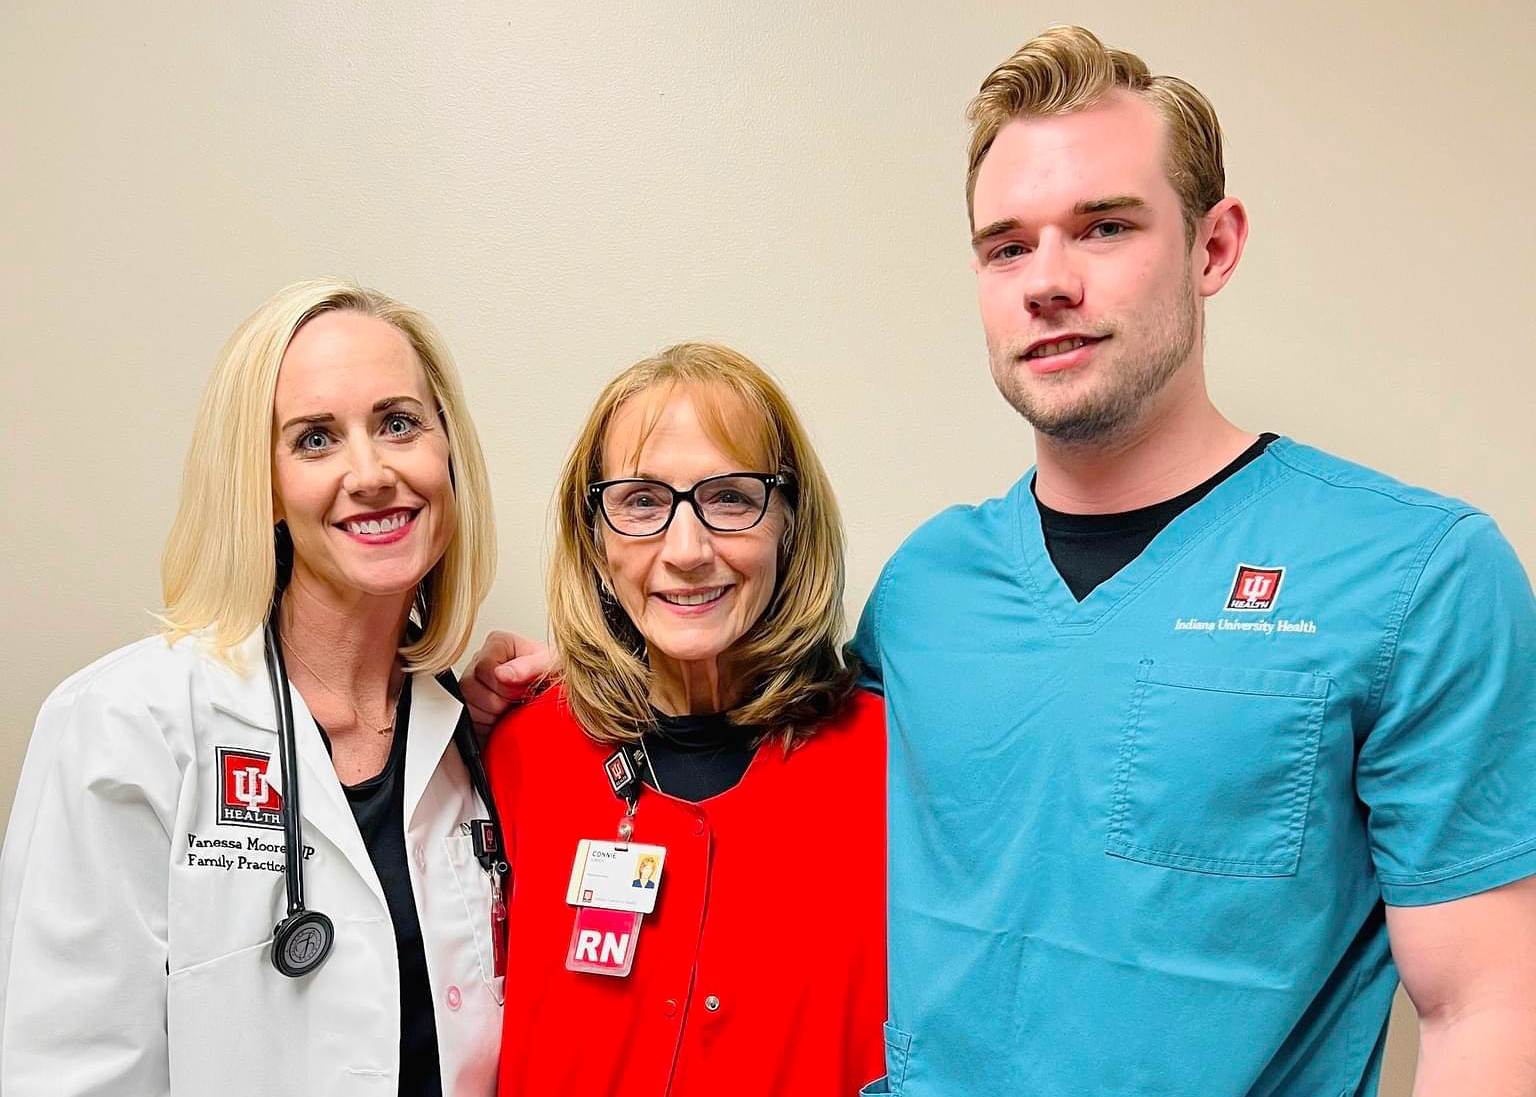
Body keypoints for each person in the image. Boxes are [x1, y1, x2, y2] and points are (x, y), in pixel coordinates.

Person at [850, 25, 1536, 1097]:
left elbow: (1486, 1007)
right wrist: (547, 684)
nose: (1049, 282)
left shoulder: (1421, 576)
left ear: (1212, 247)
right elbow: (751, 756)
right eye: (1007, 245)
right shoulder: (926, 587)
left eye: (1105, 227)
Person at [0, 280, 505, 1096]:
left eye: (398, 423)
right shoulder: (128, 726)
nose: (371, 472)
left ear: (445, 450)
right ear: (262, 486)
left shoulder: (478, 739)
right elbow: (69, 1072)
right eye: (315, 439)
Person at [483, 343, 885, 1097]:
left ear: (789, 524)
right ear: (596, 538)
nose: (687, 549)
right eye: (641, 502)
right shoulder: (517, 753)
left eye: (731, 497)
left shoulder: (890, 765)